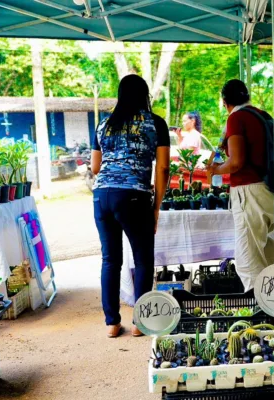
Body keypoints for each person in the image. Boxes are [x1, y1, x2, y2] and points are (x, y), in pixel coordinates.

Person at [91, 74, 170, 338]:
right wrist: (156, 206)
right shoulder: (155, 123)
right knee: (143, 259)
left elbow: (94, 167)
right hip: (135, 196)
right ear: (145, 95)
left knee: (110, 259)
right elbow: (164, 167)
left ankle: (112, 323)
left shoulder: (104, 125)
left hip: (102, 195)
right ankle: (140, 322)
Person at [206, 79, 274, 291]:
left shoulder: (236, 118)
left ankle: (259, 312)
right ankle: (272, 307)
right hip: (269, 190)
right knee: (266, 254)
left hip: (248, 192)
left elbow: (236, 162)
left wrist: (215, 170)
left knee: (248, 260)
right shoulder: (263, 116)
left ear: (225, 102)